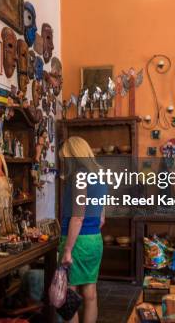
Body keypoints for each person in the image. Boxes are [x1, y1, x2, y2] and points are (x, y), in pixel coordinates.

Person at [58, 137, 105, 323]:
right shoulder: (100, 176)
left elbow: (77, 217)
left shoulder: (79, 177)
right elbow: (102, 218)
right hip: (95, 240)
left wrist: (68, 249)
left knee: (68, 294)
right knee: (90, 292)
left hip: (78, 242)